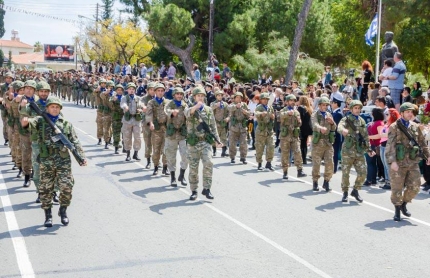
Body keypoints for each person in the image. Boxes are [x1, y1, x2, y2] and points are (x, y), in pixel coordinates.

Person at [21, 97, 87, 227]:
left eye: (57, 107)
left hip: (63, 161)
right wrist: (25, 121)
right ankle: (48, 215)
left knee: (67, 187)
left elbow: (75, 141)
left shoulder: (66, 124)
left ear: (60, 109)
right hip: (46, 160)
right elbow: (29, 123)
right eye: (52, 107)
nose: (55, 109)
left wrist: (81, 157)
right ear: (47, 108)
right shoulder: (40, 121)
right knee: (46, 189)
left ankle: (63, 211)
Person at [385, 102, 430, 221]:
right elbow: (390, 145)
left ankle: (404, 203)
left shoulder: (415, 126)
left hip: (412, 161)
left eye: (411, 112)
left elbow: (422, 143)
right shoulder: (394, 126)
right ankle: (397, 209)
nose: (410, 114)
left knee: (415, 186)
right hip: (398, 162)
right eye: (407, 112)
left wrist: (428, 155)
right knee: (397, 188)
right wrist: (392, 161)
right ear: (402, 113)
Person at [184, 86, 221, 200]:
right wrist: (195, 107)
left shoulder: (208, 109)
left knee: (209, 163)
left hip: (205, 142)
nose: (200, 98)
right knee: (193, 167)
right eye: (198, 96)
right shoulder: (189, 107)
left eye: (202, 96)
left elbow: (213, 126)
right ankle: (194, 190)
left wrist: (217, 140)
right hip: (193, 143)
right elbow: (187, 113)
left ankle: (207, 189)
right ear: (194, 97)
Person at [337, 100, 375, 202]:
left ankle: (355, 190)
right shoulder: (346, 119)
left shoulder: (362, 121)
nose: (357, 110)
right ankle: (345, 193)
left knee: (363, 173)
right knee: (346, 173)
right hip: (347, 151)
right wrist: (343, 130)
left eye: (359, 108)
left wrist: (369, 149)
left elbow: (365, 137)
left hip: (359, 151)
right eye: (355, 108)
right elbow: (339, 126)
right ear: (351, 109)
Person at [310, 97, 336, 191]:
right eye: (323, 105)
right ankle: (315, 182)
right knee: (316, 164)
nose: (325, 107)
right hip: (318, 143)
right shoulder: (315, 114)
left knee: (330, 163)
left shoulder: (329, 114)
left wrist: (332, 123)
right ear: (319, 105)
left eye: (326, 105)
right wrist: (320, 128)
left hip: (328, 143)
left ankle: (326, 182)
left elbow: (334, 128)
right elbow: (314, 124)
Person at [164, 86, 189, 186]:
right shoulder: (170, 103)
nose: (179, 96)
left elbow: (188, 113)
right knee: (171, 156)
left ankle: (182, 175)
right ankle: (173, 177)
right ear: (174, 95)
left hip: (182, 133)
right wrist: (172, 112)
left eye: (181, 94)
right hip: (171, 133)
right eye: (177, 94)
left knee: (185, 155)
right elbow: (166, 111)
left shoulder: (185, 105)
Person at [279, 94, 307, 179]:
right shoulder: (283, 110)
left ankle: (300, 170)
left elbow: (299, 123)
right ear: (287, 102)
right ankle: (285, 171)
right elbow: (280, 116)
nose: (292, 102)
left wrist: (299, 121)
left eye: (294, 101)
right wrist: (288, 113)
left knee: (297, 152)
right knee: (285, 154)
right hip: (285, 135)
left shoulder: (296, 112)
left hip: (294, 135)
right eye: (291, 101)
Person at [146, 83, 169, 175]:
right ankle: (156, 166)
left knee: (166, 149)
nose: (160, 92)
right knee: (156, 149)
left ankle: (165, 167)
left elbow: (170, 114)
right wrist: (150, 123)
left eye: (162, 91)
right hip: (156, 129)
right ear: (155, 92)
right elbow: (148, 114)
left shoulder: (167, 102)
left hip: (166, 128)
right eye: (158, 91)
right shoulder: (151, 102)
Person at [121, 83, 143, 161]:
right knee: (127, 137)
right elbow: (122, 104)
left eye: (133, 89)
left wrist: (142, 108)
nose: (131, 90)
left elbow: (141, 104)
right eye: (130, 89)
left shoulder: (138, 98)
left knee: (138, 137)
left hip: (136, 120)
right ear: (127, 90)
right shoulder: (124, 98)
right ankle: (128, 154)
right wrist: (125, 107)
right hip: (127, 120)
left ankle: (135, 154)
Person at [378, 108, 400, 190]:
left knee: (388, 165)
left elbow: (386, 134)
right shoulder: (387, 124)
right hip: (383, 145)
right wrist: (383, 134)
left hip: (389, 146)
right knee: (385, 164)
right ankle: (387, 181)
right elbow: (382, 134)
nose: (385, 116)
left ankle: (391, 182)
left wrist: (383, 134)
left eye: (387, 114)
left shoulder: (394, 125)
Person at [364, 108, 385, 186]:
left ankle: (369, 179)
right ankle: (372, 179)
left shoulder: (379, 123)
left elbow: (380, 135)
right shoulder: (375, 122)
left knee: (370, 163)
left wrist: (369, 137)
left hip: (375, 145)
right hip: (372, 144)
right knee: (372, 163)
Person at [254, 93, 275, 171]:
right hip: (261, 130)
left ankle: (268, 163)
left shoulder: (270, 107)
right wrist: (261, 114)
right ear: (261, 100)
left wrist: (273, 116)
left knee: (271, 146)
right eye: (264, 99)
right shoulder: (259, 107)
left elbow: (273, 116)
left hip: (269, 130)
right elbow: (256, 113)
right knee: (260, 147)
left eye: (267, 99)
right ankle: (259, 164)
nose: (265, 100)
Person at [228, 92, 250, 164]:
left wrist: (245, 112)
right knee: (232, 143)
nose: (239, 99)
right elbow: (229, 108)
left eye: (240, 97)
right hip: (234, 127)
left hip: (242, 127)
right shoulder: (232, 105)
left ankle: (243, 157)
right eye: (237, 97)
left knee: (244, 143)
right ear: (234, 98)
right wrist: (236, 107)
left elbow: (249, 114)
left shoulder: (244, 105)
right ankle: (232, 157)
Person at [210, 89, 229, 157]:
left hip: (223, 123)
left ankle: (224, 150)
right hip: (215, 123)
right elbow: (209, 109)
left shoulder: (225, 104)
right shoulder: (213, 103)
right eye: (218, 95)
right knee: (214, 137)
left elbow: (229, 112)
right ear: (216, 96)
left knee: (224, 137)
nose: (220, 97)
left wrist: (228, 118)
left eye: (221, 95)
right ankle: (214, 150)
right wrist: (216, 105)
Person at [141, 82, 155, 168]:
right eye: (151, 90)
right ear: (148, 90)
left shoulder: (158, 99)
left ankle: (157, 161)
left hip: (157, 124)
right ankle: (148, 161)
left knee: (158, 143)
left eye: (154, 90)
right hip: (146, 124)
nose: (153, 91)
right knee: (148, 142)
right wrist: (143, 107)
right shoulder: (144, 99)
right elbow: (141, 104)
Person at [109, 84, 125, 154]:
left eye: (121, 90)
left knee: (125, 133)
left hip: (124, 118)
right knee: (116, 133)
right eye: (118, 90)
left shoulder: (124, 98)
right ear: (116, 91)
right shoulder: (113, 97)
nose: (119, 91)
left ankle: (125, 147)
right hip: (116, 118)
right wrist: (113, 100)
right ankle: (116, 147)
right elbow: (110, 105)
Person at [330, 95, 344, 173]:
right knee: (332, 152)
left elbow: (336, 126)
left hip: (336, 136)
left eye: (332, 103)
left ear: (336, 103)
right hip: (332, 136)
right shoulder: (334, 113)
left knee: (335, 153)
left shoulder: (338, 114)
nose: (331, 104)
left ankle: (334, 168)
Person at [100, 80, 114, 149]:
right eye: (109, 86)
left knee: (112, 128)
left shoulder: (114, 93)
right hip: (106, 113)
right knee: (106, 128)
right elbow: (101, 95)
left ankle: (110, 139)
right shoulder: (104, 93)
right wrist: (106, 92)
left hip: (113, 113)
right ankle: (106, 142)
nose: (110, 88)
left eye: (111, 87)